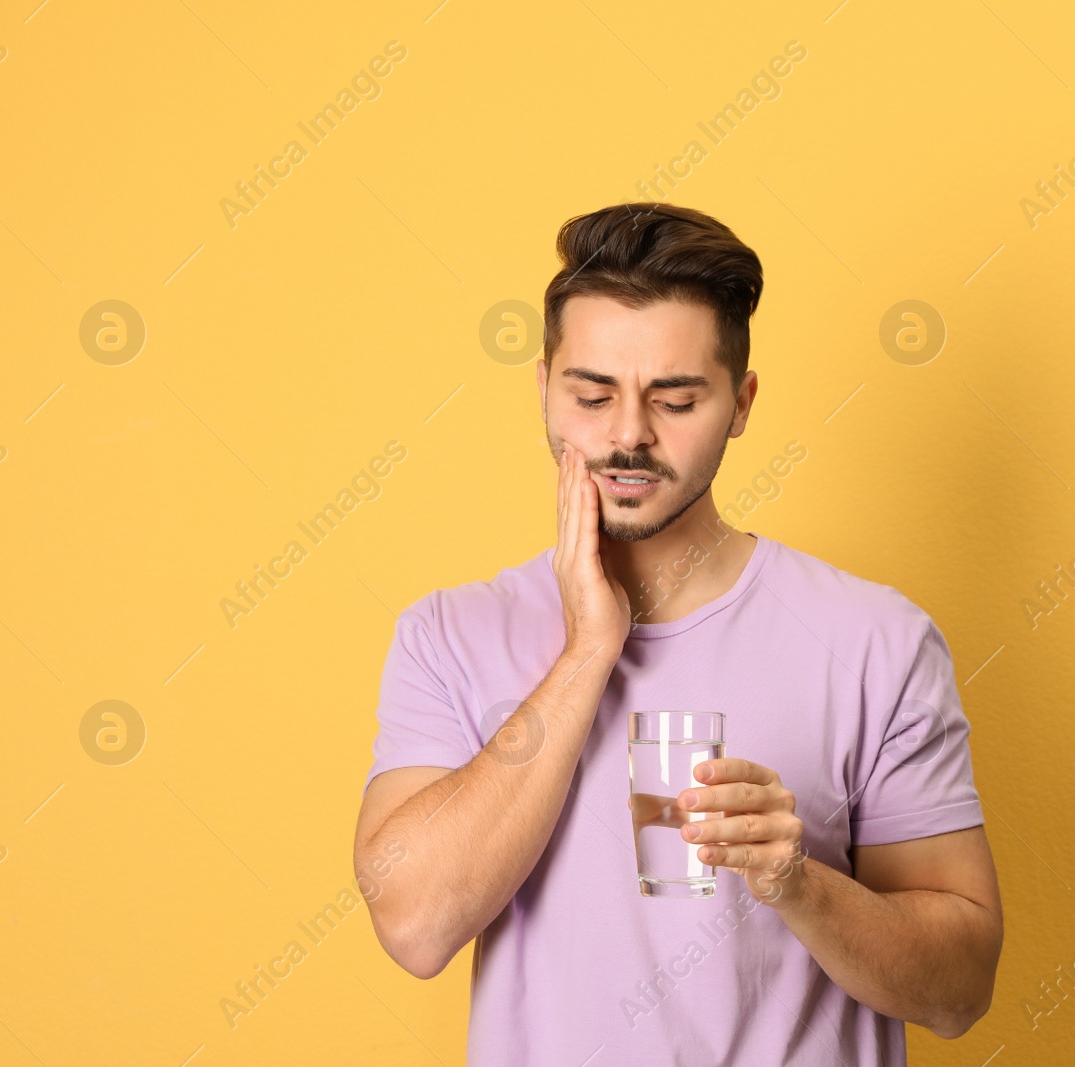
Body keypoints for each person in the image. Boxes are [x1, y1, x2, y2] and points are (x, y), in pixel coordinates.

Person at [351, 203, 1003, 1065]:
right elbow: (415, 926)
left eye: (676, 398)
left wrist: (798, 883)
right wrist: (589, 648)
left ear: (740, 403)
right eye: (591, 395)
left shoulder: (876, 641)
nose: (627, 434)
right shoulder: (449, 634)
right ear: (543, 388)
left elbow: (959, 993)